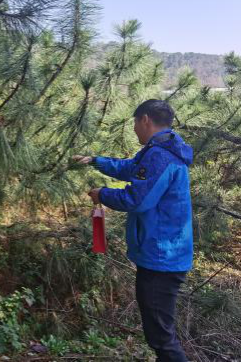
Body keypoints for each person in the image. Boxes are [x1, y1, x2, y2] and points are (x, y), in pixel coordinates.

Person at [73, 99, 193, 362]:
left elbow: (137, 200)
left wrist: (101, 194)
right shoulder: (159, 150)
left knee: (161, 337)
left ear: (145, 120)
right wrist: (96, 161)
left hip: (162, 259)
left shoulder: (161, 156)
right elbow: (131, 169)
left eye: (134, 123)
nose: (134, 129)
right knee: (159, 333)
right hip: (162, 255)